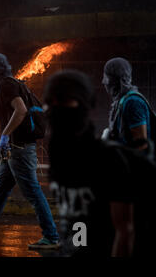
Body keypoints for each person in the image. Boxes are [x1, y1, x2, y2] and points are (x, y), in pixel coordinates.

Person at [0, 53, 60, 250]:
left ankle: (51, 236)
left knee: (32, 192)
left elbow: (21, 110)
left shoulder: (6, 85)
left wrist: (5, 135)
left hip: (19, 149)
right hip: (12, 151)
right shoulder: (9, 83)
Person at [44, 70, 135, 256]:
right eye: (50, 102)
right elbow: (77, 221)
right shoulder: (60, 158)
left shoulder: (108, 159)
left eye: (64, 100)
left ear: (85, 105)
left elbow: (124, 231)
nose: (55, 108)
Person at [101, 57, 155, 256]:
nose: (103, 82)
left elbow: (140, 142)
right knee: (123, 229)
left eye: (106, 76)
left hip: (131, 176)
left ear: (115, 78)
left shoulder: (132, 101)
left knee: (126, 229)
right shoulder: (121, 101)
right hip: (123, 175)